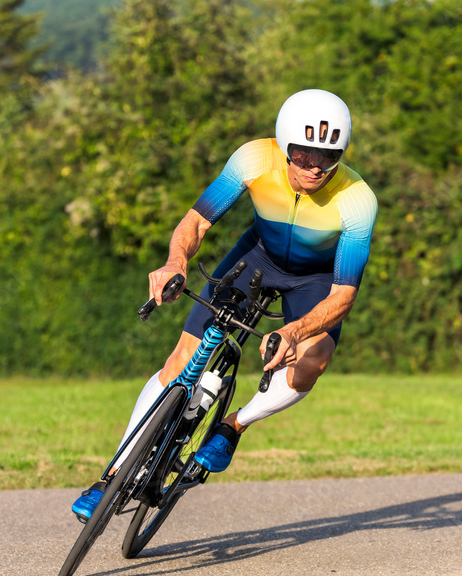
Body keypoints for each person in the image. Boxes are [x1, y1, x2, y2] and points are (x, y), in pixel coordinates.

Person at [72, 89, 378, 522]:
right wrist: (175, 263)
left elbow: (344, 294)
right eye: (304, 153)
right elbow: (197, 221)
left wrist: (292, 331)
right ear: (284, 145)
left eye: (328, 156)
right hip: (257, 257)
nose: (315, 166)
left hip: (316, 277)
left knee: (313, 360)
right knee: (182, 358)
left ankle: (233, 426)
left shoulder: (358, 199)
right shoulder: (255, 159)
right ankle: (111, 477)